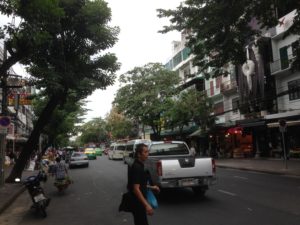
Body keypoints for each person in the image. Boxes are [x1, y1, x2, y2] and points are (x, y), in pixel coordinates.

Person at [127, 144, 160, 225]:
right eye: (145, 152)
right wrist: (146, 205)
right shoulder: (137, 167)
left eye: (147, 152)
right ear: (139, 154)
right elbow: (136, 189)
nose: (147, 154)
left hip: (139, 202)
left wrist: (152, 187)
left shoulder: (139, 165)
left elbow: (140, 184)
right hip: (138, 203)